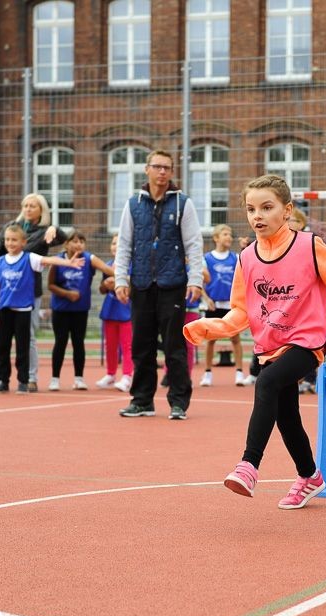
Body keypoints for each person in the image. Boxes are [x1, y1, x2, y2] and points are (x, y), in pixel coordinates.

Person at [183, 174, 326, 509]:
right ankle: (310, 475)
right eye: (252, 209)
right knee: (286, 415)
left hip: (307, 343)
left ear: (287, 210)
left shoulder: (309, 245)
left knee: (265, 383)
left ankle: (248, 466)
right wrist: (213, 328)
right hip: (270, 346)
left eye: (267, 207)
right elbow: (241, 311)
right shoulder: (247, 259)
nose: (258, 216)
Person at [114, 150, 204, 420]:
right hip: (141, 284)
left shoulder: (182, 204)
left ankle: (178, 402)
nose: (162, 172)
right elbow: (124, 245)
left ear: (172, 172)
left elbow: (194, 244)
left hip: (172, 284)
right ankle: (141, 400)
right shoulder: (133, 204)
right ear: (147, 169)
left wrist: (195, 280)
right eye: (157, 167)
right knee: (141, 345)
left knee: (174, 346)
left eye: (167, 167)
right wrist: (120, 278)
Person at [0, 194, 64, 392]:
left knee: (27, 337)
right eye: (25, 205)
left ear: (42, 210)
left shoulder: (43, 232)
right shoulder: (11, 225)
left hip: (28, 292)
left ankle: (30, 378)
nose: (28, 209)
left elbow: (63, 238)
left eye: (33, 206)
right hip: (5, 289)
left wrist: (53, 229)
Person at [0, 225, 85, 394]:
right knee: (2, 347)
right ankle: (3, 381)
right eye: (7, 240)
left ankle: (23, 381)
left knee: (22, 347)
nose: (10, 243)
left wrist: (67, 262)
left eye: (14, 240)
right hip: (4, 310)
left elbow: (48, 260)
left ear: (23, 242)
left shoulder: (29, 258)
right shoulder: (0, 262)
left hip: (23, 310)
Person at [46, 231, 114, 391]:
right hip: (61, 309)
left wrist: (124, 278)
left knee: (79, 343)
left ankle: (79, 378)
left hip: (80, 309)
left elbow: (105, 268)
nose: (79, 245)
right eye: (75, 241)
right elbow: (50, 285)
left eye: (82, 241)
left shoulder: (89, 258)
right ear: (66, 244)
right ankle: (55, 378)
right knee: (60, 342)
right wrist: (67, 294)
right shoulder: (58, 261)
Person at [200, 224, 246, 387]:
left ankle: (240, 373)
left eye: (230, 234)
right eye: (225, 234)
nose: (229, 237)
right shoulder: (207, 258)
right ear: (216, 238)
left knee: (235, 338)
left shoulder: (235, 257)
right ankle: (207, 373)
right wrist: (206, 299)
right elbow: (200, 281)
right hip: (213, 304)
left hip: (230, 305)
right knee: (210, 340)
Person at [97, 235, 134, 392]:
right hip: (110, 310)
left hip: (126, 311)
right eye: (113, 243)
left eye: (119, 244)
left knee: (127, 346)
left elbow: (135, 289)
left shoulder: (132, 266)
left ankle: (127, 376)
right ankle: (110, 374)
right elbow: (101, 289)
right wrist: (106, 285)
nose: (115, 246)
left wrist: (121, 282)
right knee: (110, 345)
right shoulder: (108, 266)